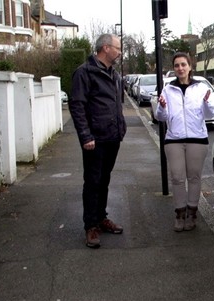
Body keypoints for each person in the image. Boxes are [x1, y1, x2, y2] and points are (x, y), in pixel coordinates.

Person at [69, 33, 126, 248]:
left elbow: (116, 105)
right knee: (93, 182)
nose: (120, 52)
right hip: (95, 140)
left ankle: (101, 217)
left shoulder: (114, 75)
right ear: (105, 48)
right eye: (117, 48)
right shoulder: (85, 73)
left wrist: (121, 128)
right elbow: (77, 105)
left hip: (112, 137)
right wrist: (86, 136)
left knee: (104, 180)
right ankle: (90, 226)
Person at [155, 52, 214, 232]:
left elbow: (210, 114)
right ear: (174, 69)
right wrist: (162, 107)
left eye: (183, 64)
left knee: (194, 177)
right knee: (177, 177)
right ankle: (180, 214)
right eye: (176, 65)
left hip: (197, 139)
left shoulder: (200, 88)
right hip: (174, 139)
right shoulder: (168, 89)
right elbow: (161, 117)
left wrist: (206, 103)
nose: (180, 68)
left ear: (190, 67)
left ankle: (192, 212)